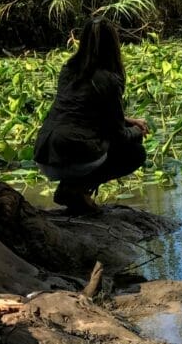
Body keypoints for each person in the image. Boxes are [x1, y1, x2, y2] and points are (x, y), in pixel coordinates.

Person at [35, 17, 148, 214]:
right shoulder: (109, 79)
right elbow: (118, 136)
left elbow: (82, 111)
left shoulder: (69, 69)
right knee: (135, 153)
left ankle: (74, 190)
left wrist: (129, 120)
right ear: (113, 44)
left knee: (94, 141)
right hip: (72, 159)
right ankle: (76, 189)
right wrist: (138, 131)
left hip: (44, 154)